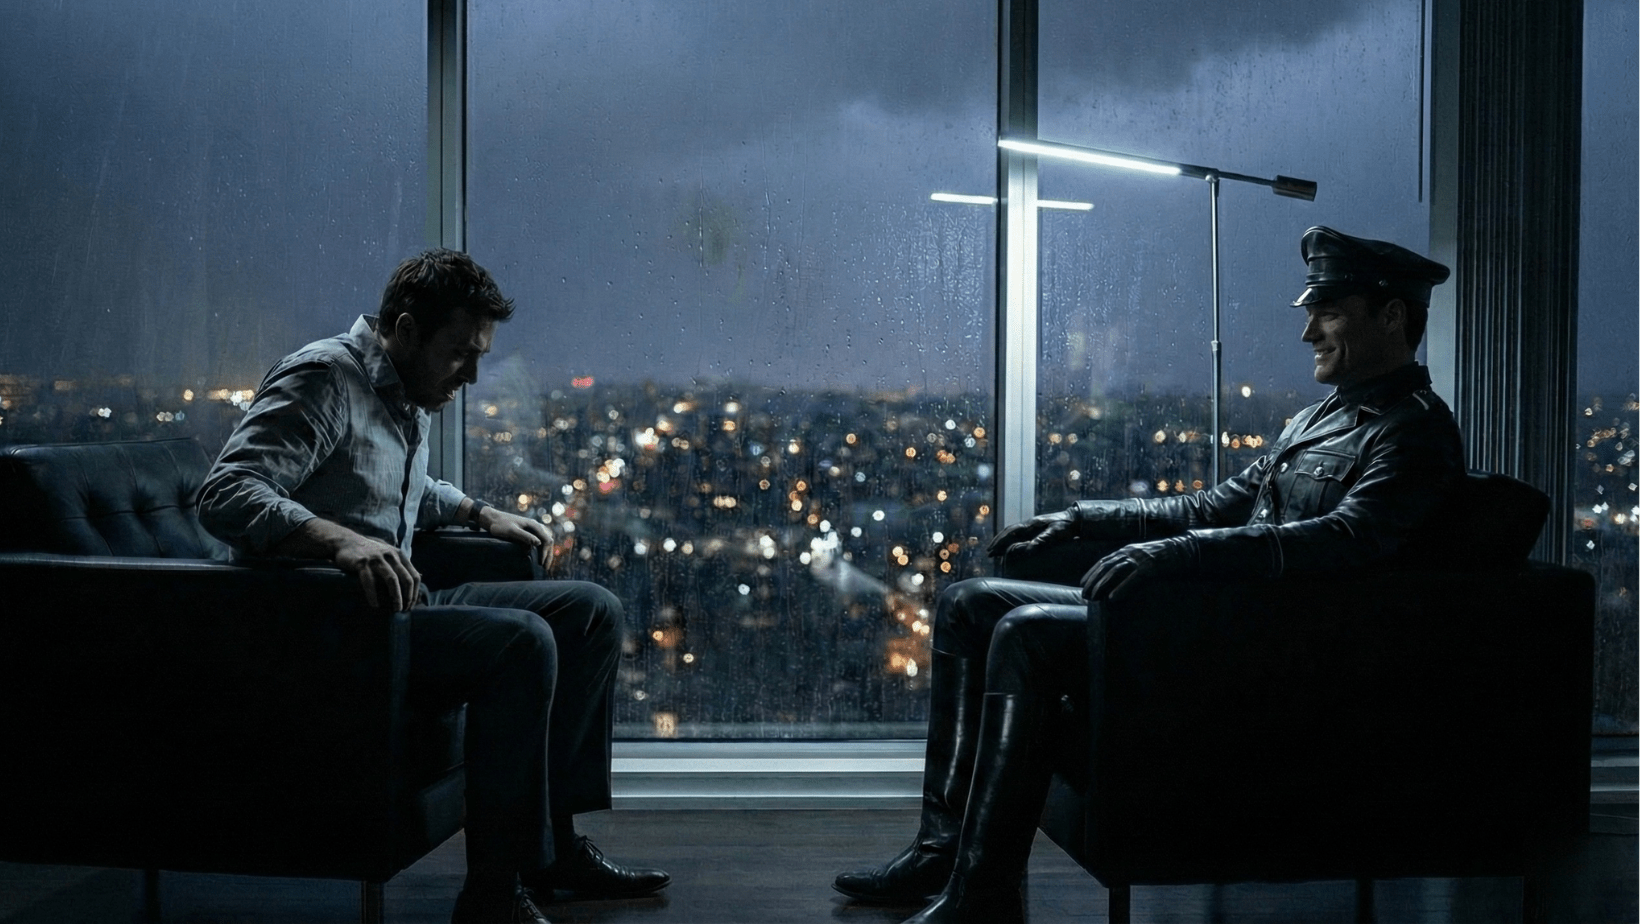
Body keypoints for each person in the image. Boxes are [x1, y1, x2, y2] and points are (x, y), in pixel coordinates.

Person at [833, 227, 1466, 924]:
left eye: (1330, 312)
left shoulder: (1415, 431)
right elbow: (1217, 505)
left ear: (1394, 317)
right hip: (1226, 625)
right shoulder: (1321, 418)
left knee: (1028, 632)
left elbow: (1347, 540)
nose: (1309, 332)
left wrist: (1179, 554)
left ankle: (983, 893)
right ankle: (940, 852)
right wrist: (1084, 518)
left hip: (1272, 654)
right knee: (968, 604)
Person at [199, 249, 668, 924]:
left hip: (396, 607)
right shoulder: (325, 378)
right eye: (460, 353)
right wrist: (340, 541)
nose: (471, 376)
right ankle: (492, 892)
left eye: (480, 356)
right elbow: (226, 492)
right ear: (408, 329)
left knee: (590, 612)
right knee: (523, 642)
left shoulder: (404, 388)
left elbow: (393, 486)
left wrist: (478, 513)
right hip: (328, 623)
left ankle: (553, 849)